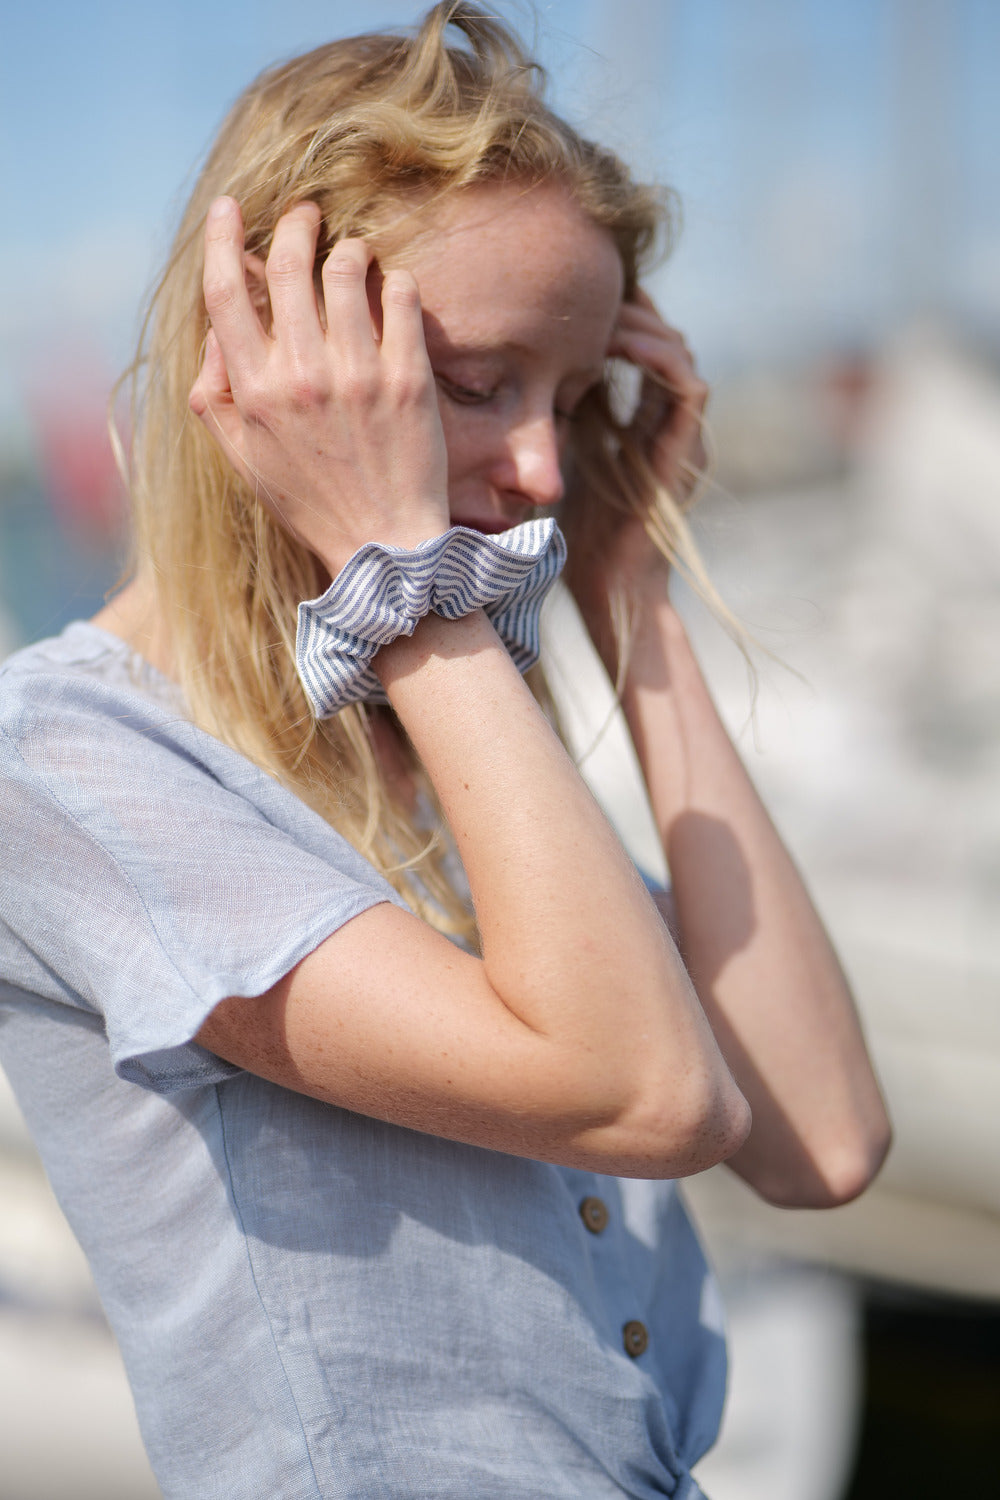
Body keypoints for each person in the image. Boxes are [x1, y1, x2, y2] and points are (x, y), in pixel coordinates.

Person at [0, 5, 890, 1496]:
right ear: (273, 360)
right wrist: (397, 567)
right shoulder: (69, 764)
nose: (542, 465)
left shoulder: (420, 740)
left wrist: (631, 596)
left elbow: (824, 1138)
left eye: (573, 399)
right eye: (477, 382)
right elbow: (646, 1092)